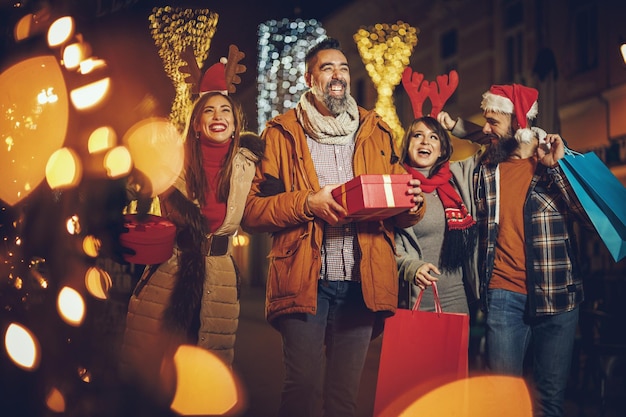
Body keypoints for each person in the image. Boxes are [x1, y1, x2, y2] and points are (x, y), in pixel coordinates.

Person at [241, 37, 425, 417]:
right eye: (327, 68)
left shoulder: (377, 132)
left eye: (343, 68)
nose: (338, 75)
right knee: (302, 390)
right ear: (310, 78)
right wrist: (308, 203)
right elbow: (253, 211)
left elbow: (398, 205)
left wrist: (413, 206)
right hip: (306, 277)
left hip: (363, 281)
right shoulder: (281, 134)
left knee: (344, 398)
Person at [437, 83, 594, 417]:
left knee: (549, 400)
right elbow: (488, 136)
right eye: (486, 120)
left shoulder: (554, 160)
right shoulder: (486, 169)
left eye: (494, 121)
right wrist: (457, 127)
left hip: (557, 296)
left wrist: (557, 168)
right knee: (502, 399)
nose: (487, 128)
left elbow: (589, 218)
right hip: (502, 295)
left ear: (519, 123)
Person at [120, 88, 264, 401]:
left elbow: (262, 209)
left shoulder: (249, 165)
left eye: (225, 110)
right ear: (196, 123)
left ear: (236, 123)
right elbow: (130, 188)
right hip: (170, 270)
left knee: (206, 373)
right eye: (209, 111)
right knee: (154, 370)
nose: (218, 116)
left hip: (220, 279)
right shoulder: (172, 159)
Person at [395, 116, 477, 314]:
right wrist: (410, 266)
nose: (425, 141)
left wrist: (457, 127)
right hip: (415, 301)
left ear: (442, 149)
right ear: (407, 145)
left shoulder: (458, 177)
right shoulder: (395, 183)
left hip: (457, 300)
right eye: (418, 135)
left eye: (434, 137)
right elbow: (382, 242)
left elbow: (495, 143)